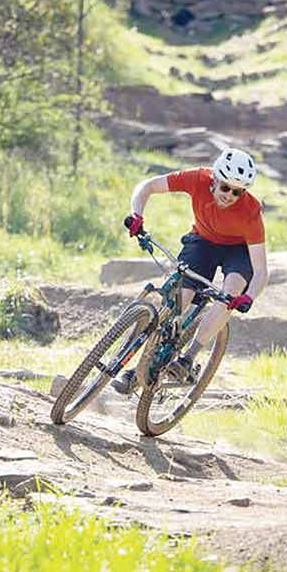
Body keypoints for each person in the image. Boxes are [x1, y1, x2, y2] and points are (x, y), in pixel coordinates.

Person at [113, 148, 268, 393]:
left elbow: (260, 269)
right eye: (225, 187)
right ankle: (137, 370)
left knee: (231, 292)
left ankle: (188, 359)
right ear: (215, 179)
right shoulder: (197, 178)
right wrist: (137, 214)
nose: (229, 195)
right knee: (179, 299)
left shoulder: (251, 211)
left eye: (237, 192)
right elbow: (148, 186)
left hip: (238, 251)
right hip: (203, 242)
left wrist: (248, 297)